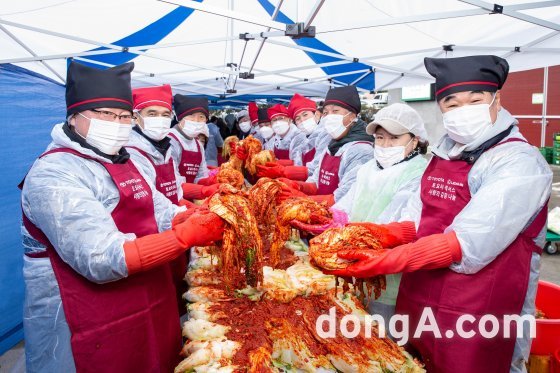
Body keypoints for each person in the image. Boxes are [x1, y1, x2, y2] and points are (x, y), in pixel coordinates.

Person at [328, 55, 552, 373]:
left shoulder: (518, 163)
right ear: (441, 107)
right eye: (452, 103)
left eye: (475, 100)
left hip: (478, 315)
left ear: (496, 99)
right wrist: (381, 235)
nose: (463, 111)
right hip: (419, 299)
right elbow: (418, 219)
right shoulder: (443, 154)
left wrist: (388, 260)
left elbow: (470, 241)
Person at [20, 61, 224, 372]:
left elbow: (161, 208)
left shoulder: (124, 161)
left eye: (124, 116)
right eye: (105, 114)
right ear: (74, 116)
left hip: (142, 297)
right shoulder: (54, 173)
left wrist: (191, 216)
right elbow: (100, 258)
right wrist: (184, 236)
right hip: (83, 315)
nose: (117, 123)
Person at [295, 102, 429, 325]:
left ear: (414, 140)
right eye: (380, 138)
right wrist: (328, 221)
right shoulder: (369, 168)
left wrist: (350, 237)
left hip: (388, 271)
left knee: (381, 331)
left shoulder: (419, 173)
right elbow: (346, 205)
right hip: (352, 260)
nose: (386, 145)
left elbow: (399, 222)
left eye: (394, 138)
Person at [259, 86, 375, 206]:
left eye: (335, 111)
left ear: (352, 116)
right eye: (326, 112)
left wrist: (301, 198)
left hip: (337, 221)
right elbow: (316, 182)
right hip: (320, 212)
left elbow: (344, 199)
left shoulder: (361, 151)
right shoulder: (331, 146)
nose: (329, 116)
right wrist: (297, 185)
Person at [126, 84, 182, 204]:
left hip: (173, 215)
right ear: (135, 117)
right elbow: (148, 202)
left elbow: (177, 189)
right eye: (152, 114)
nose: (160, 119)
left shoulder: (166, 147)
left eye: (165, 115)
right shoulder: (130, 152)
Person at [287, 93, 330, 176]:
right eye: (298, 119)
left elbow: (316, 168)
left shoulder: (325, 136)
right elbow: (298, 164)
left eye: (305, 115)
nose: (302, 120)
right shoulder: (303, 141)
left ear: (316, 115)